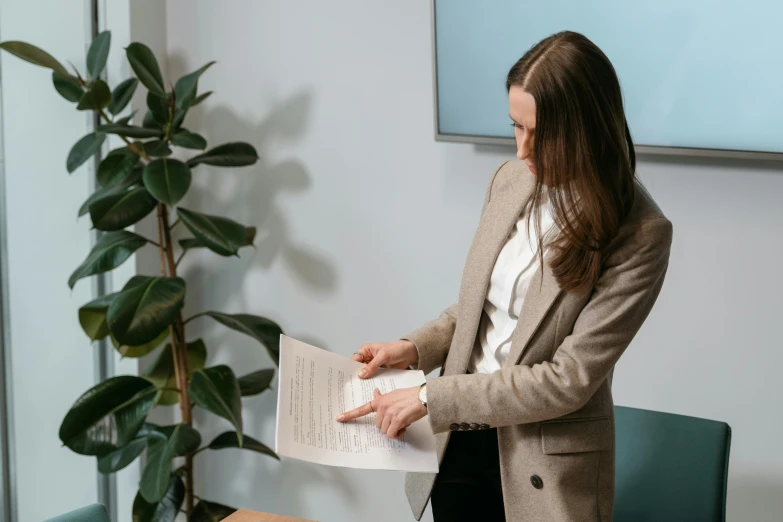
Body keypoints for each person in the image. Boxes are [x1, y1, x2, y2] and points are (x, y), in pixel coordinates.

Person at [337, 30, 673, 522]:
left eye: (542, 134)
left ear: (586, 131)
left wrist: (432, 396)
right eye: (516, 127)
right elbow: (478, 310)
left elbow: (567, 381)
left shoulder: (641, 233)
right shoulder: (510, 181)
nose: (522, 150)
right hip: (460, 442)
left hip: (542, 464)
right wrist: (414, 349)